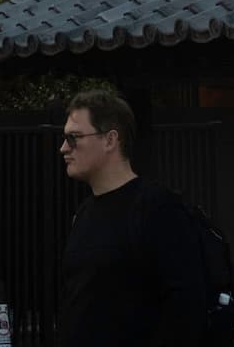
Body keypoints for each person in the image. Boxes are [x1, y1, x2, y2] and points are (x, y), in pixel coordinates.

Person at [58, 87, 209, 347]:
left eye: (74, 138)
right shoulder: (83, 214)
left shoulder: (158, 209)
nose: (63, 148)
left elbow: (187, 306)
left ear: (110, 140)